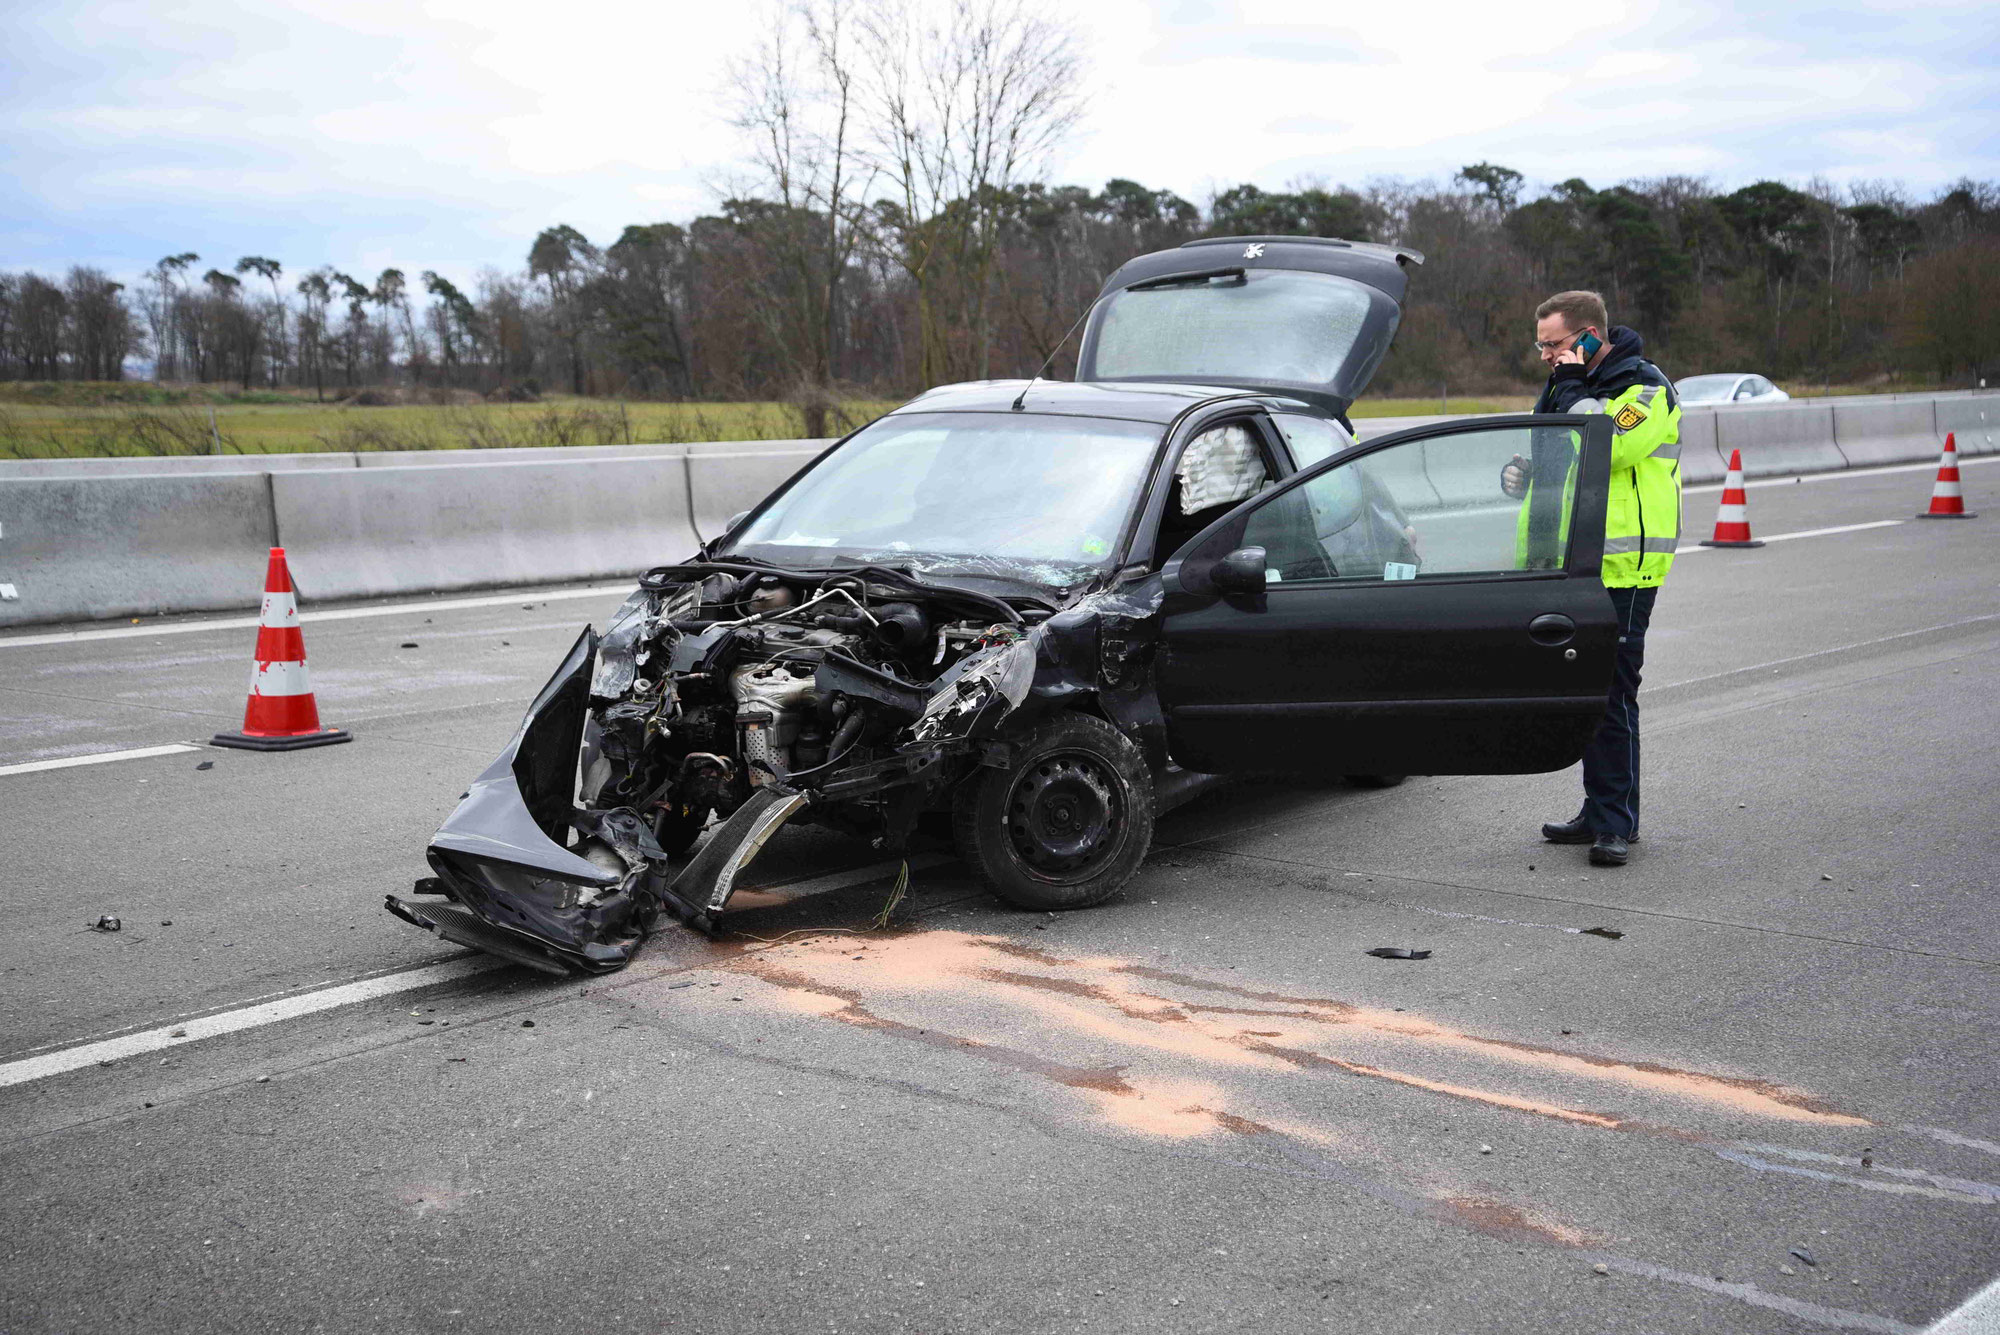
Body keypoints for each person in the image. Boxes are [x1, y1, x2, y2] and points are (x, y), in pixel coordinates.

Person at [1501, 290, 1681, 866]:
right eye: (1541, 345)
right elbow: (1563, 459)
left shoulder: (1645, 388)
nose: (1547, 356)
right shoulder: (1568, 390)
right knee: (1584, 693)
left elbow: (1611, 447)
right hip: (1570, 563)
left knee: (1612, 693)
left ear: (1586, 337)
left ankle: (1614, 823)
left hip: (1625, 567)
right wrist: (1523, 476)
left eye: (1553, 344)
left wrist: (1574, 390)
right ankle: (1598, 808)